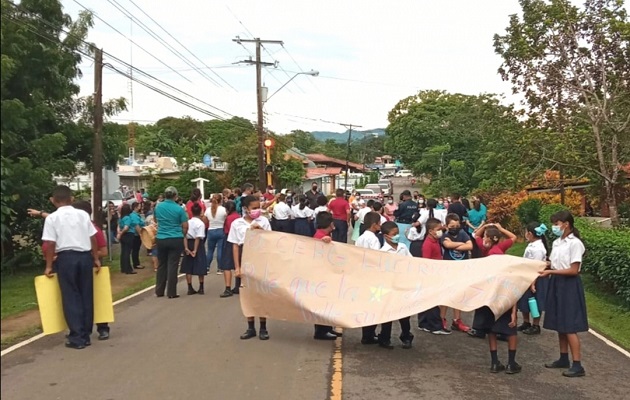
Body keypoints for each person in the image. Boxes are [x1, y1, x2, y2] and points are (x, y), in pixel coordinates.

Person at [41, 186, 100, 349]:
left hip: (66, 258)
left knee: (71, 296)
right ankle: (86, 334)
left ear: (53, 200)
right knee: (86, 294)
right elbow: (93, 237)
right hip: (85, 256)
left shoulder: (52, 218)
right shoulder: (82, 215)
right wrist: (95, 258)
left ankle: (77, 336)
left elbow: (51, 243)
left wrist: (49, 265)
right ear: (72, 199)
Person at [540, 210, 587, 378]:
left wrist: (551, 272)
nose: (555, 227)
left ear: (566, 224)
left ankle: (577, 364)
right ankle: (563, 357)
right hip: (556, 281)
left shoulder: (575, 243)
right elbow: (552, 263)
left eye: (556, 223)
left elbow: (574, 270)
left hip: (568, 284)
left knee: (569, 325)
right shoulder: (557, 242)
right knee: (559, 323)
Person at [468, 223, 520, 374]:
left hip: (488, 295)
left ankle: (495, 362)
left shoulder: (489, 252)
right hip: (501, 296)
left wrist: (485, 225)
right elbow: (513, 237)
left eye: (485, 237)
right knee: (510, 329)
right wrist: (499, 227)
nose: (482, 239)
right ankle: (511, 363)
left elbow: (476, 235)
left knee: (491, 329)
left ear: (490, 239)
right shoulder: (499, 249)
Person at [228, 195, 272, 340]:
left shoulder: (264, 221)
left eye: (258, 207)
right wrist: (237, 267)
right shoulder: (237, 223)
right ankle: (250, 326)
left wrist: (260, 232)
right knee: (247, 294)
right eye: (254, 208)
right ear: (246, 209)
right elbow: (235, 245)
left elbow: (271, 241)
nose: (257, 210)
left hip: (260, 256)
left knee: (261, 293)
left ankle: (263, 327)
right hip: (244, 255)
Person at [378, 221, 414, 349]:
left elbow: (411, 262)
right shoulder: (382, 252)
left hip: (402, 285)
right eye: (394, 234)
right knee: (388, 313)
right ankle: (385, 337)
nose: (397, 236)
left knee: (404, 314)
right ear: (386, 236)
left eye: (397, 233)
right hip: (388, 286)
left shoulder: (403, 247)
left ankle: (406, 336)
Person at [417, 218, 451, 335]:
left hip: (436, 273)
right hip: (432, 275)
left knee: (427, 300)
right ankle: (435, 326)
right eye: (438, 229)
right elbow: (426, 262)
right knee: (433, 301)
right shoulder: (428, 244)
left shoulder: (435, 241)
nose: (440, 231)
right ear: (431, 231)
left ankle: (424, 323)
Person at [312, 212, 343, 340]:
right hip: (321, 275)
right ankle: (321, 331)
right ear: (330, 224)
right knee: (323, 303)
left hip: (326, 273)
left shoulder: (325, 235)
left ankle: (327, 328)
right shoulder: (320, 237)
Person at [355, 212, 384, 347]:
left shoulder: (360, 238)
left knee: (366, 305)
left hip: (362, 274)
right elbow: (376, 258)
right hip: (372, 275)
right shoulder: (373, 239)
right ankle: (369, 334)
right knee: (374, 306)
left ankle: (367, 334)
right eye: (379, 223)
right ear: (374, 225)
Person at [154, 186, 189, 299]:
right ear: (175, 196)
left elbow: (155, 220)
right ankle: (171, 292)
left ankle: (159, 290)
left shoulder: (158, 207)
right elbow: (185, 226)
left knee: (161, 264)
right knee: (173, 265)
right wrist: (182, 234)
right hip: (175, 237)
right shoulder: (179, 209)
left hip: (161, 237)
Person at [441, 213, 473, 333]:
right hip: (448, 268)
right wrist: (462, 244)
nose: (455, 227)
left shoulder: (463, 233)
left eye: (457, 225)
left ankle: (457, 320)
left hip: (461, 268)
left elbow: (470, 246)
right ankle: (442, 319)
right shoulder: (444, 235)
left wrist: (456, 245)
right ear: (447, 226)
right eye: (452, 225)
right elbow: (447, 244)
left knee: (459, 294)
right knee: (446, 295)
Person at [517, 222, 549, 335]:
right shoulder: (532, 244)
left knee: (535, 301)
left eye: (526, 232)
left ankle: (536, 325)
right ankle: (526, 322)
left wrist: (533, 283)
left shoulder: (538, 248)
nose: (525, 234)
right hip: (528, 276)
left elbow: (537, 267)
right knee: (525, 300)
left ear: (530, 234)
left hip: (535, 278)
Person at [181, 203, 208, 295]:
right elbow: (198, 237)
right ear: (200, 211)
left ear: (191, 212)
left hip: (188, 242)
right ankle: (201, 287)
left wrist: (186, 248)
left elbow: (184, 235)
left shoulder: (187, 222)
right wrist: (195, 250)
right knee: (200, 264)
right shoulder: (200, 223)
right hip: (198, 244)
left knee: (188, 265)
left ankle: (189, 287)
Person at [219, 201, 240, 297]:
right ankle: (238, 285)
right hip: (240, 241)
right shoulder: (239, 217)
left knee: (226, 265)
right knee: (239, 263)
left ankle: (228, 288)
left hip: (229, 240)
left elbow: (226, 230)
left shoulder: (228, 218)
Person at [205, 193, 227, 274]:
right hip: (220, 229)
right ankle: (220, 268)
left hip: (211, 230)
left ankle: (207, 267)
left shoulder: (208, 210)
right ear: (221, 200)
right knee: (220, 250)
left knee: (210, 250)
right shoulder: (223, 210)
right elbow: (226, 218)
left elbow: (206, 220)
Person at [116, 204, 136, 275]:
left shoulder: (121, 218)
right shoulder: (127, 218)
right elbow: (126, 227)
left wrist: (119, 233)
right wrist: (121, 233)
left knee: (123, 252)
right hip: (128, 235)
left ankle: (123, 268)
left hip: (123, 236)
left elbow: (118, 226)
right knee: (127, 252)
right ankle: (128, 269)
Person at [130, 201, 145, 270]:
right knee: (135, 249)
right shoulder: (134, 216)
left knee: (136, 249)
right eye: (139, 206)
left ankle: (136, 263)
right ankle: (136, 264)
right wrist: (140, 234)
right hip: (135, 235)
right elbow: (136, 226)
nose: (140, 207)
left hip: (137, 234)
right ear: (135, 207)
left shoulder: (136, 215)